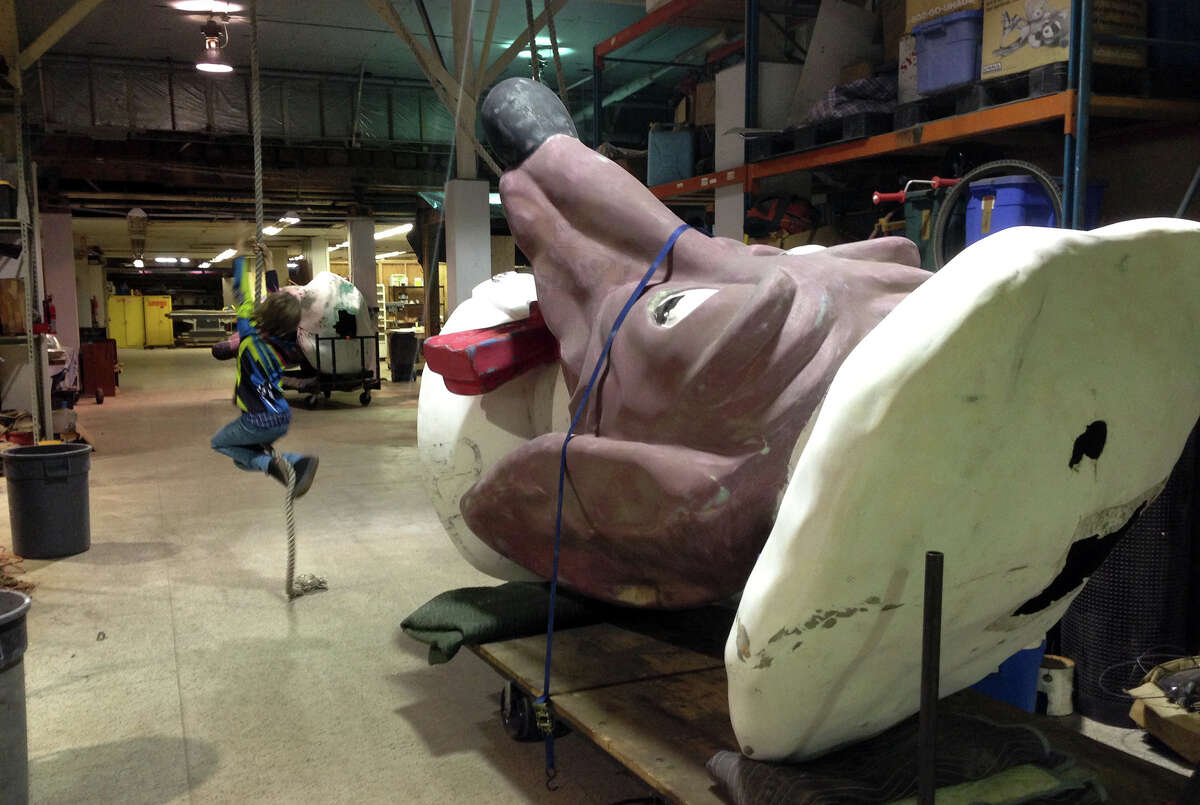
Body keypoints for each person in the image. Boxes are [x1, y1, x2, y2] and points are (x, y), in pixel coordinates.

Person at [210, 245, 318, 496]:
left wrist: (239, 260)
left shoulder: (250, 331)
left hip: (257, 421)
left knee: (220, 443)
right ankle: (285, 462)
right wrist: (268, 263)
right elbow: (274, 296)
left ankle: (283, 461)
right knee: (242, 458)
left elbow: (242, 293)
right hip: (281, 417)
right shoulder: (288, 340)